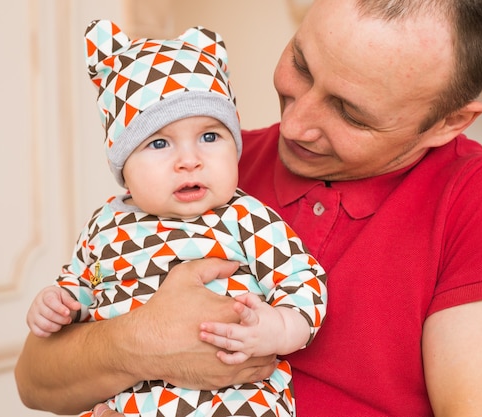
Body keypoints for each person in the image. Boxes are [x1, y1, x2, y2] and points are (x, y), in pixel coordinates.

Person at [15, 1, 482, 416]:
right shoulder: (207, 173)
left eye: (352, 114)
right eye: (301, 64)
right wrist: (143, 343)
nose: (296, 124)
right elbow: (35, 380)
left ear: (449, 123)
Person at [23, 19, 327, 417]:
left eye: (210, 137)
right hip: (134, 403)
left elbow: (301, 278)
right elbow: (87, 281)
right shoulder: (104, 227)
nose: (189, 161)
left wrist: (277, 328)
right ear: (123, 164)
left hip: (235, 400)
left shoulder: (244, 217)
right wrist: (60, 302)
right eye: (160, 143)